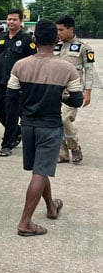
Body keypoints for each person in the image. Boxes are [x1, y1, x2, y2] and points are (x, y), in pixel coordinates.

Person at [6, 20, 83, 237]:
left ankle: (51, 207)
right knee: (40, 172)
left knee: (40, 169)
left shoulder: (20, 65)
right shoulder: (67, 68)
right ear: (56, 40)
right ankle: (25, 223)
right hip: (50, 126)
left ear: (34, 40)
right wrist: (60, 94)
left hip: (28, 124)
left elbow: (11, 96)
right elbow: (76, 100)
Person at [0, 8, 36, 157]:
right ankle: (16, 132)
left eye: (14, 19)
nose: (11, 22)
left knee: (12, 113)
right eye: (9, 19)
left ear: (20, 21)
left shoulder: (26, 39)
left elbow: (32, 61)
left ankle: (7, 145)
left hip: (16, 83)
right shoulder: (2, 36)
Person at [54, 15, 94, 164]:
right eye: (57, 29)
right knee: (57, 121)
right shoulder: (55, 45)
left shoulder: (84, 47)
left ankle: (75, 146)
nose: (58, 33)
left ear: (71, 29)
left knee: (64, 119)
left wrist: (88, 91)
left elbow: (89, 70)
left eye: (61, 30)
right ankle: (63, 153)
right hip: (55, 90)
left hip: (72, 92)